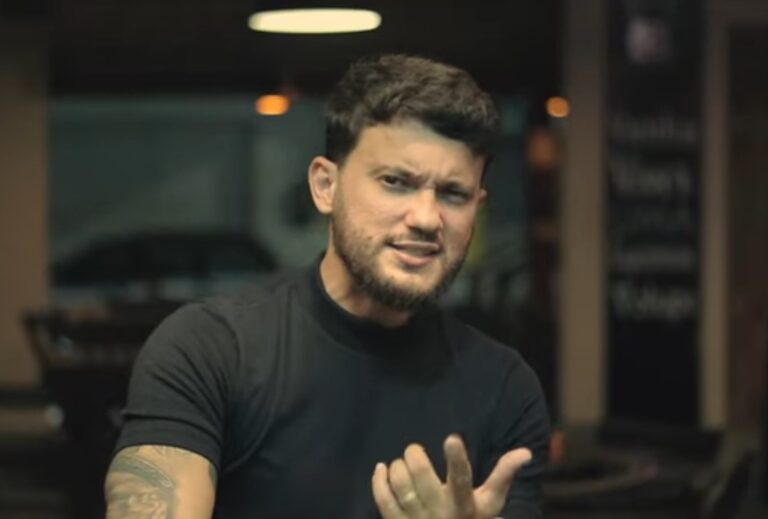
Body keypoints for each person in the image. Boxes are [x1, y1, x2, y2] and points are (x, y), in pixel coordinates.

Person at [105, 54, 550, 518]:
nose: (425, 218)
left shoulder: (504, 389)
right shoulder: (210, 350)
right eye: (395, 182)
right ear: (325, 186)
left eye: (453, 194)